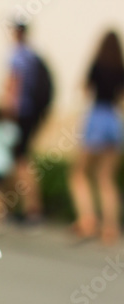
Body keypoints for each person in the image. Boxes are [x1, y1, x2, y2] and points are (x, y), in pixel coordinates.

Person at [69, 30, 124, 245]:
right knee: (106, 178)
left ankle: (87, 219)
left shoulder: (97, 65)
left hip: (97, 118)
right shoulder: (120, 68)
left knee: (79, 174)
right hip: (114, 120)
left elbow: (84, 89)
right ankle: (110, 228)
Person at [3, 18, 49, 225]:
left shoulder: (18, 57)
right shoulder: (32, 55)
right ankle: (25, 208)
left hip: (21, 115)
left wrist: (6, 110)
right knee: (22, 160)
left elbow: (14, 86)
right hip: (32, 114)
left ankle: (31, 209)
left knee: (21, 161)